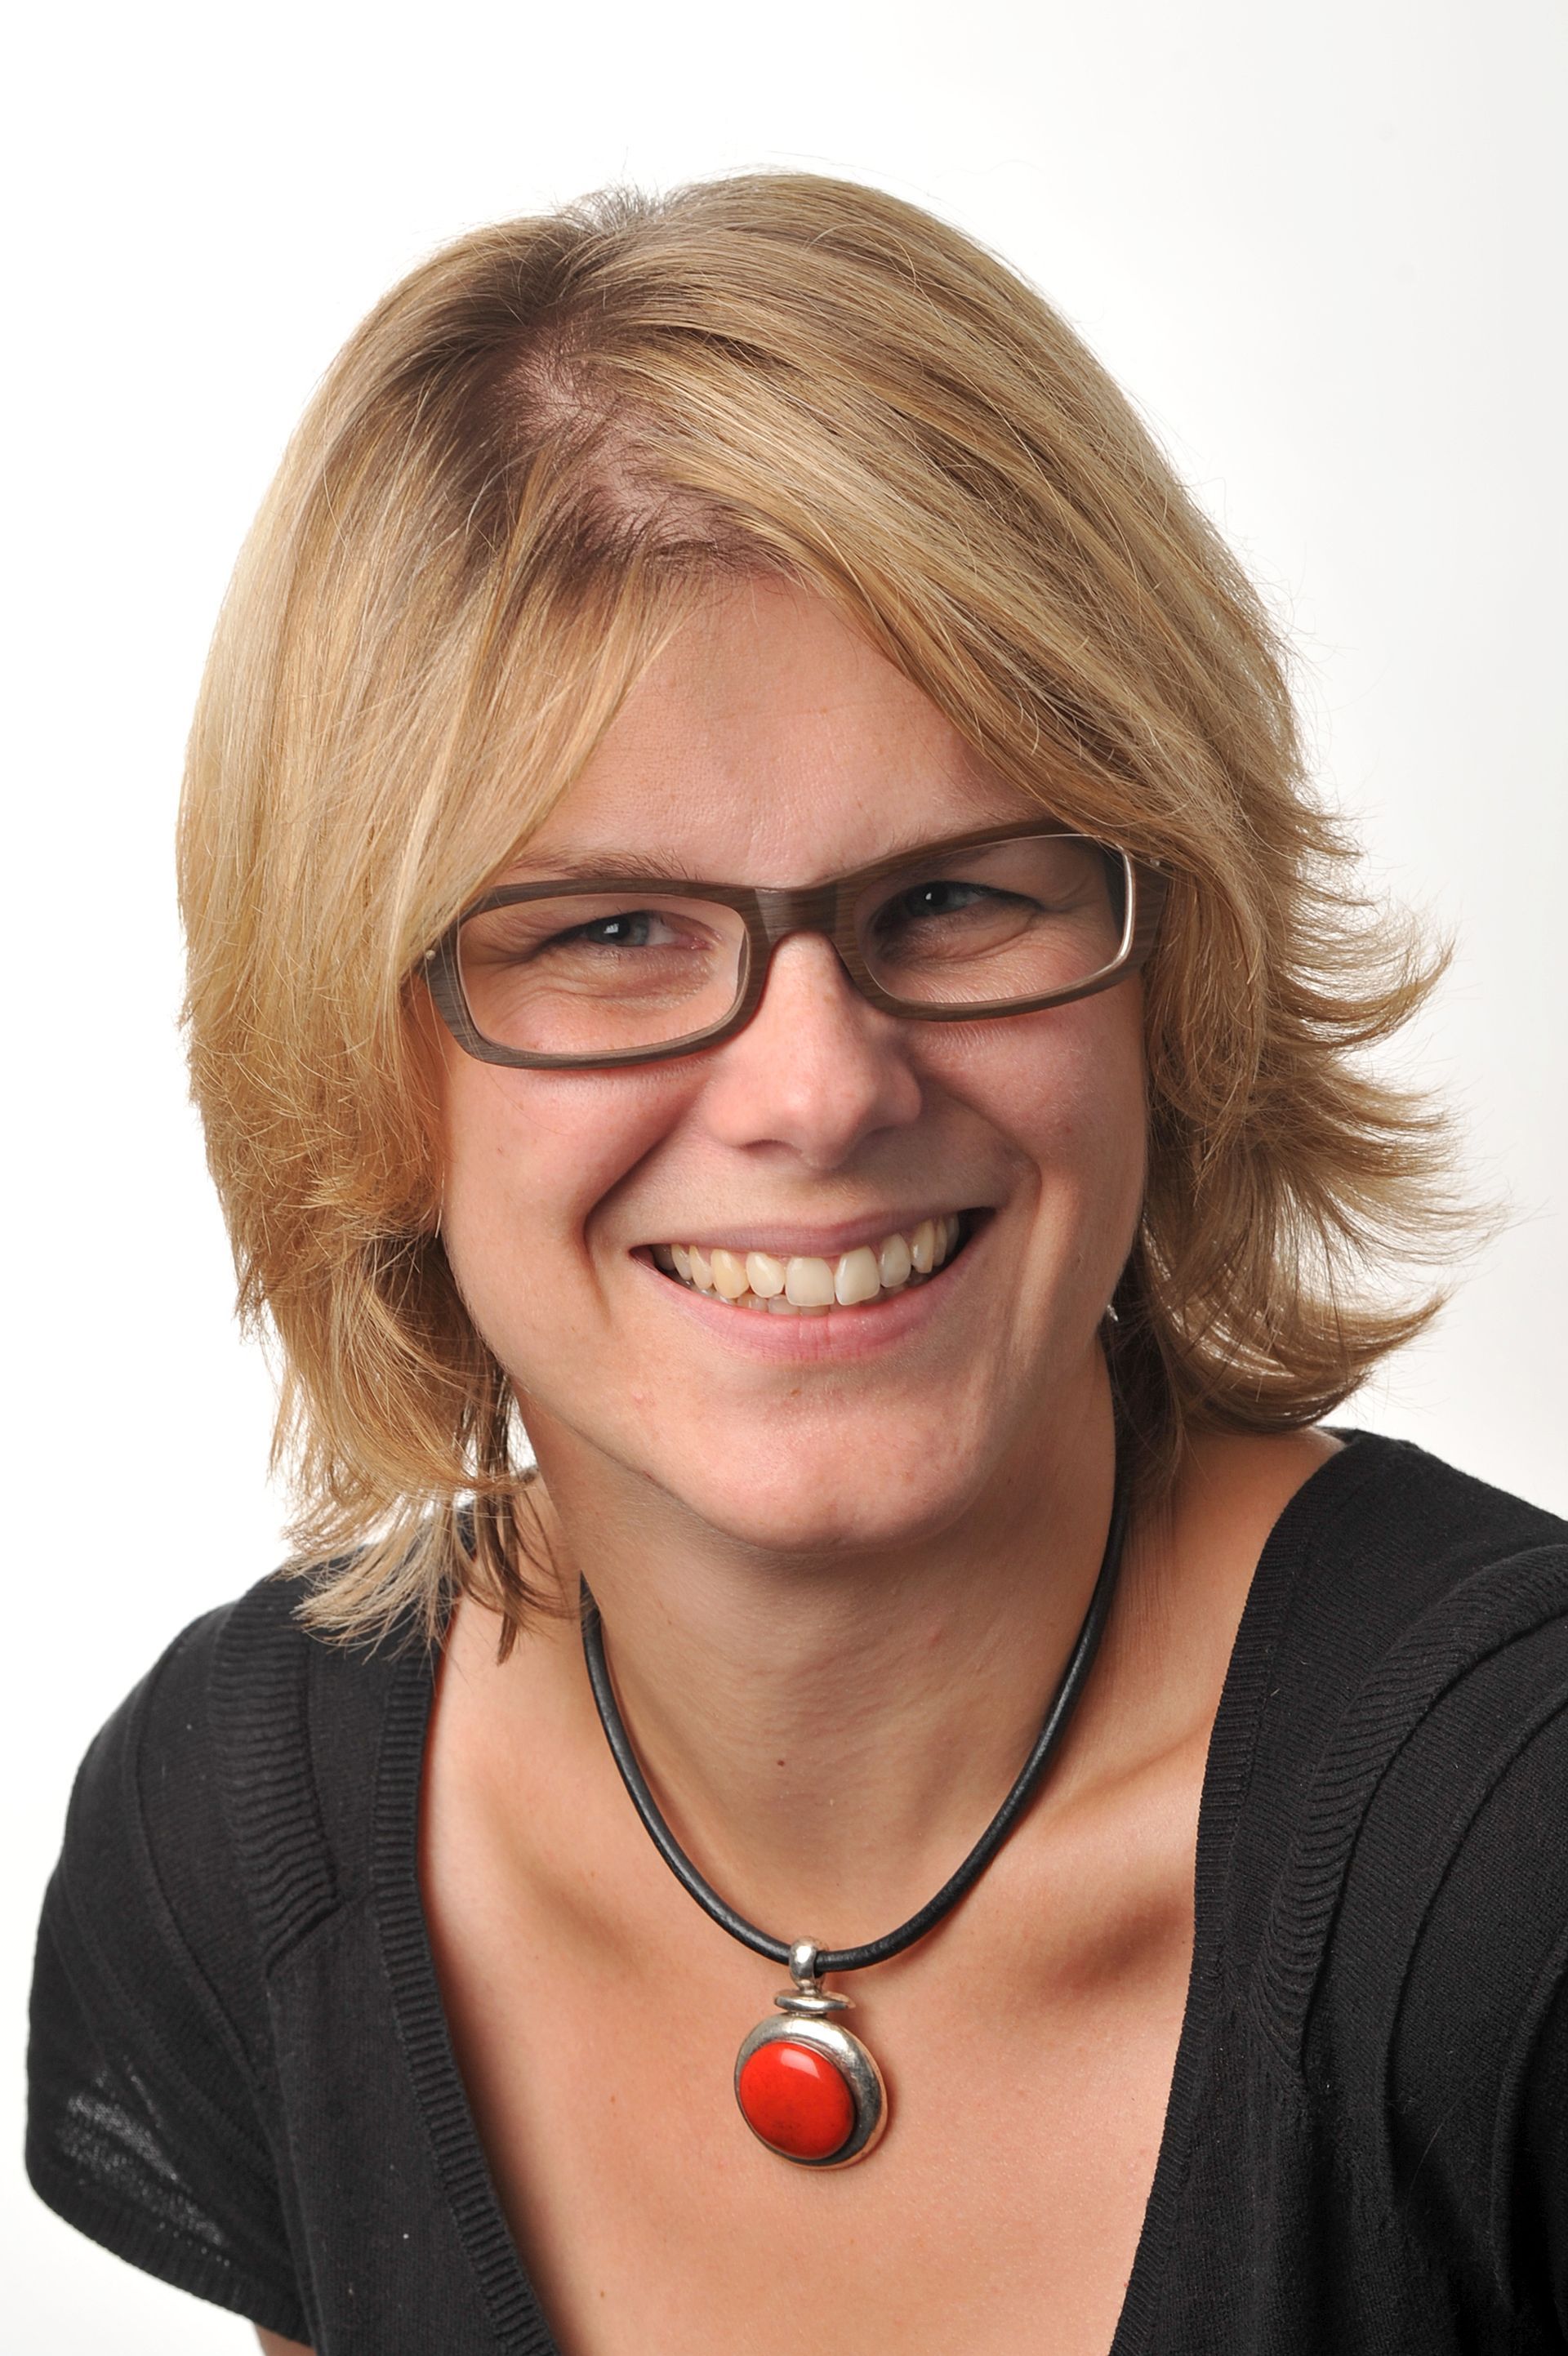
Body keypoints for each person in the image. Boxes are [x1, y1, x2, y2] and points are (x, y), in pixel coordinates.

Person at [24, 172, 1568, 2356]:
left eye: (956, 898)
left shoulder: (1523, 1861)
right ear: (365, 1056)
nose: (821, 1090)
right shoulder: (245, 1834)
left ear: (1172, 962)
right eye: (610, 930)